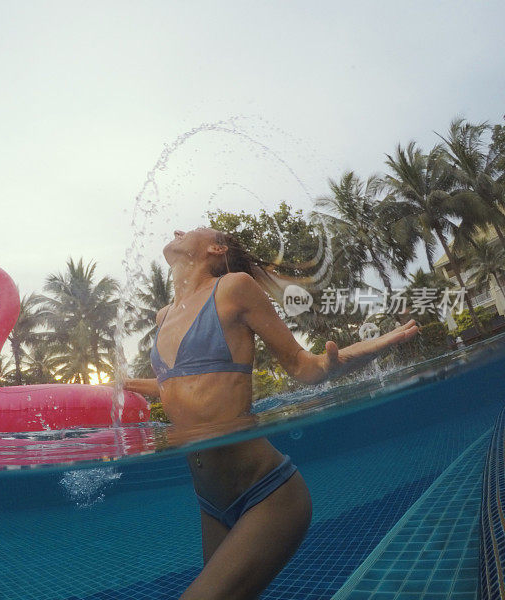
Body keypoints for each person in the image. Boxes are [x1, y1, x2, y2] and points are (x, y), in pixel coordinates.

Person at [119, 226, 420, 599]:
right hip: (210, 502)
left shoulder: (233, 288)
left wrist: (363, 349)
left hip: (267, 493)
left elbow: (302, 366)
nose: (179, 230)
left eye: (194, 229)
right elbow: (178, 382)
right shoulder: (164, 315)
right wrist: (128, 385)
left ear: (215, 248)